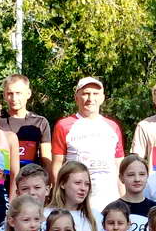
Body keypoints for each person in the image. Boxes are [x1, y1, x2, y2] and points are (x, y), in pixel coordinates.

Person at [51, 77, 125, 212]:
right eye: (86, 93)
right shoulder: (63, 125)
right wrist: (60, 199)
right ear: (76, 98)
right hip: (76, 202)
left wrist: (124, 199)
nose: (91, 98)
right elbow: (57, 165)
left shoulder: (113, 126)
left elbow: (120, 165)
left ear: (102, 98)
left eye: (95, 94)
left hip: (110, 200)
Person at [48, 160, 105, 231]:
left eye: (87, 184)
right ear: (62, 184)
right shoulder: (46, 215)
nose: (83, 188)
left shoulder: (96, 217)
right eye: (78, 183)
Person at [0, 74, 51, 170]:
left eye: (18, 93)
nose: (14, 98)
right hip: (2, 177)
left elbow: (46, 160)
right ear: (4, 95)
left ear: (28, 94)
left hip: (31, 177)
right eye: (10, 93)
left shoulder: (40, 122)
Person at [118, 154, 156, 231]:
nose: (137, 179)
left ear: (147, 176)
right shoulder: (113, 209)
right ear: (121, 178)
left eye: (142, 174)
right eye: (131, 175)